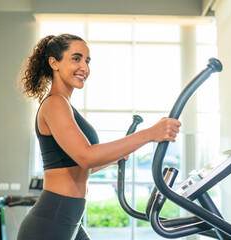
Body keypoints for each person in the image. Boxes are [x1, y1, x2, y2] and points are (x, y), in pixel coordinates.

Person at [17, 33, 181, 240]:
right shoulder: (55, 103)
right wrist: (150, 134)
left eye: (87, 61)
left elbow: (79, 166)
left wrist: (114, 158)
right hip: (52, 223)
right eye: (76, 58)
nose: (84, 67)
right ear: (54, 63)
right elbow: (87, 156)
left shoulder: (65, 106)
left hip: (69, 220)